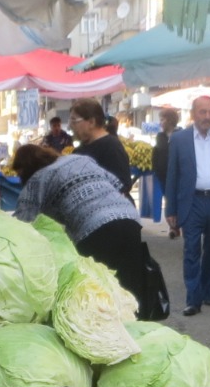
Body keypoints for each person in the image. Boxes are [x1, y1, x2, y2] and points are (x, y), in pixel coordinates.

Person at [12, 143, 167, 320]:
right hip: (129, 218)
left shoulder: (39, 178)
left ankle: (107, 329)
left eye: (19, 173)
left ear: (26, 167)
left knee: (98, 287)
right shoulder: (81, 159)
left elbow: (21, 222)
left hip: (94, 228)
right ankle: (135, 326)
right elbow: (119, 185)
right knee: (127, 284)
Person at [165, 95, 210, 315]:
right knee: (191, 249)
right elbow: (172, 175)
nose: (207, 117)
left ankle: (207, 293)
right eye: (202, 112)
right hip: (192, 201)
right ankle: (193, 299)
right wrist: (170, 209)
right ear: (193, 114)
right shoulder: (180, 139)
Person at [70, 99, 132, 196]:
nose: (71, 126)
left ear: (91, 122)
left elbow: (123, 185)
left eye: (74, 121)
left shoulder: (112, 147)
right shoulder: (79, 150)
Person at [152, 107, 180, 232]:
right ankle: (173, 227)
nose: (160, 122)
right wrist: (156, 169)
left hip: (178, 175)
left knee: (178, 199)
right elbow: (157, 153)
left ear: (169, 120)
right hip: (163, 174)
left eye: (162, 119)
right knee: (168, 200)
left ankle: (178, 223)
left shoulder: (180, 134)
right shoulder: (160, 136)